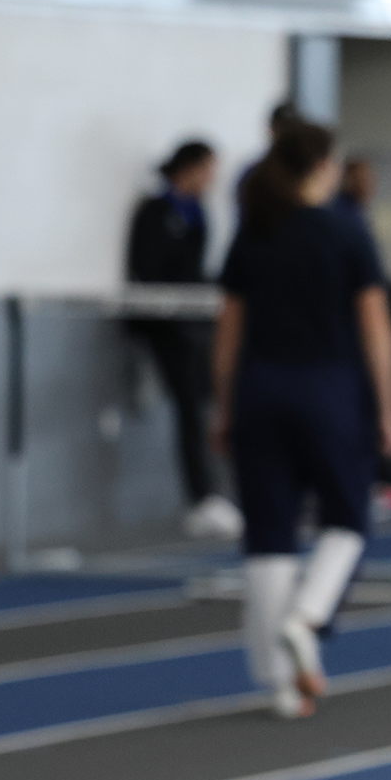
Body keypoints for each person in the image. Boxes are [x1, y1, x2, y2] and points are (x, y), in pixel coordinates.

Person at [211, 121, 391, 720]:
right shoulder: (347, 235)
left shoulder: (253, 235)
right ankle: (309, 615)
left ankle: (279, 685)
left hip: (260, 392)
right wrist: (389, 410)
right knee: (348, 520)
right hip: (328, 392)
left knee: (268, 540)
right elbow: (375, 330)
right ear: (323, 165)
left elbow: (229, 333)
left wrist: (222, 407)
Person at [125, 140, 243, 540]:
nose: (211, 179)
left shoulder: (200, 212)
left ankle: (222, 492)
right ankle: (203, 498)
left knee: (214, 404)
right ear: (187, 168)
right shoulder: (156, 211)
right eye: (207, 169)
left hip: (198, 323)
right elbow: (149, 270)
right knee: (190, 410)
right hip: (167, 328)